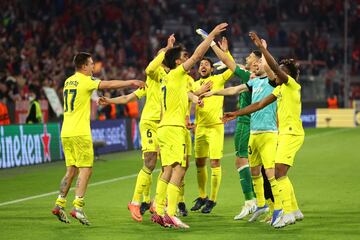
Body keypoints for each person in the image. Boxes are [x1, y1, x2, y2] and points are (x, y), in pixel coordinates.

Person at [52, 52, 145, 225]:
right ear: (84, 66)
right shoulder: (86, 80)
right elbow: (109, 84)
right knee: (86, 169)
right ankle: (78, 207)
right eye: (91, 64)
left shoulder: (68, 81)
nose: (93, 67)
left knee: (70, 170)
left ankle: (59, 203)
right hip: (80, 132)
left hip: (66, 131)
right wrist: (131, 82)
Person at [223, 32, 305, 228]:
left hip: (291, 133)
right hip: (285, 133)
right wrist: (236, 113)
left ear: (287, 75)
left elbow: (275, 68)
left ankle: (285, 212)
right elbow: (258, 104)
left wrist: (262, 48)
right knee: (280, 173)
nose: (275, 75)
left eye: (280, 73)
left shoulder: (291, 85)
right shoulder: (279, 90)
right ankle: (294, 209)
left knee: (278, 173)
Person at [150, 23, 228, 229]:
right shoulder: (176, 74)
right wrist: (210, 36)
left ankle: (158, 211)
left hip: (164, 128)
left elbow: (186, 95)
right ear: (177, 62)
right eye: (184, 58)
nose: (189, 61)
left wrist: (197, 95)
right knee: (179, 169)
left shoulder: (168, 79)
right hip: (174, 128)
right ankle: (171, 213)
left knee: (167, 170)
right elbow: (196, 55)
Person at [98, 34, 175, 222]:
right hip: (150, 122)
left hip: (165, 125)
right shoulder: (152, 78)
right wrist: (110, 101)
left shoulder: (172, 77)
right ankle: (135, 201)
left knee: (167, 166)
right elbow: (127, 98)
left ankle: (155, 203)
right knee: (150, 162)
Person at [201, 49, 280, 224]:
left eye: (252, 58)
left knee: (268, 172)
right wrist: (213, 92)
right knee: (256, 170)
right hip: (253, 130)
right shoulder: (253, 80)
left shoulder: (269, 78)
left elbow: (233, 65)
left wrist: (214, 43)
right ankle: (262, 205)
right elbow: (234, 89)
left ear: (260, 62)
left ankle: (278, 208)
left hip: (258, 127)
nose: (249, 60)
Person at [189, 36, 234, 214]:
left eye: (206, 64)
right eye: (201, 64)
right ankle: (202, 196)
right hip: (200, 128)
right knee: (199, 163)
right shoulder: (193, 84)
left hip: (215, 127)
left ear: (211, 68)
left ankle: (213, 199)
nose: (203, 66)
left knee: (215, 162)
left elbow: (232, 67)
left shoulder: (218, 80)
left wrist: (225, 52)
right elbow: (187, 100)